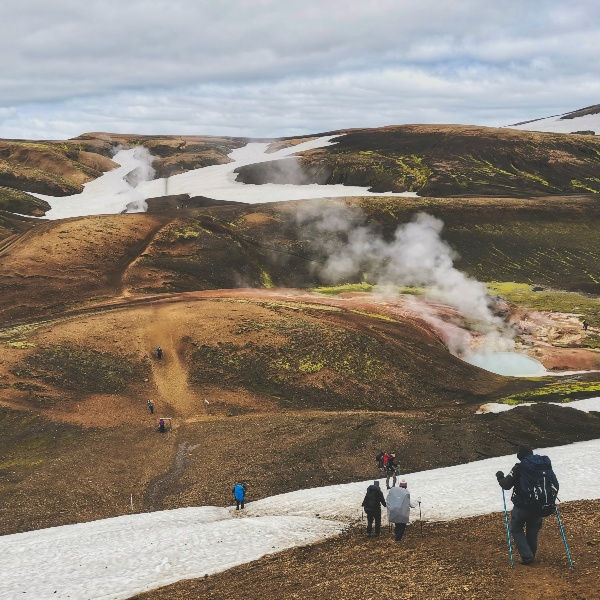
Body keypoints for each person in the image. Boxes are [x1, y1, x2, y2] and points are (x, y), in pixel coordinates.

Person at [496, 444, 548, 565]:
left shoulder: (519, 468)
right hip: (539, 505)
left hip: (522, 506)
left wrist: (500, 477)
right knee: (533, 528)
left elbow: (506, 484)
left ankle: (527, 556)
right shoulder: (541, 466)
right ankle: (531, 554)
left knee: (516, 528)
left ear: (520, 456)